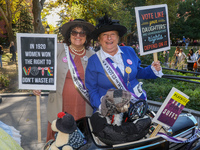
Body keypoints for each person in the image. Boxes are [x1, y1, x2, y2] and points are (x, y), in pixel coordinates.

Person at [33, 19, 95, 142]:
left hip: (84, 106)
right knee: (59, 141)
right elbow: (40, 63)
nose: (78, 36)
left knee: (81, 139)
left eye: (82, 33)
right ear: (69, 35)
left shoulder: (92, 55)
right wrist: (37, 83)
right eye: (74, 32)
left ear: (86, 37)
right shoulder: (58, 49)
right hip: (60, 104)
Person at [85, 15, 163, 112]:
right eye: (105, 35)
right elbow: (92, 90)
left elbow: (138, 72)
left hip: (136, 107)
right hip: (111, 110)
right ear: (99, 40)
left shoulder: (129, 51)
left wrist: (153, 69)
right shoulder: (93, 60)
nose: (109, 38)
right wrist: (102, 106)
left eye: (113, 34)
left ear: (118, 37)